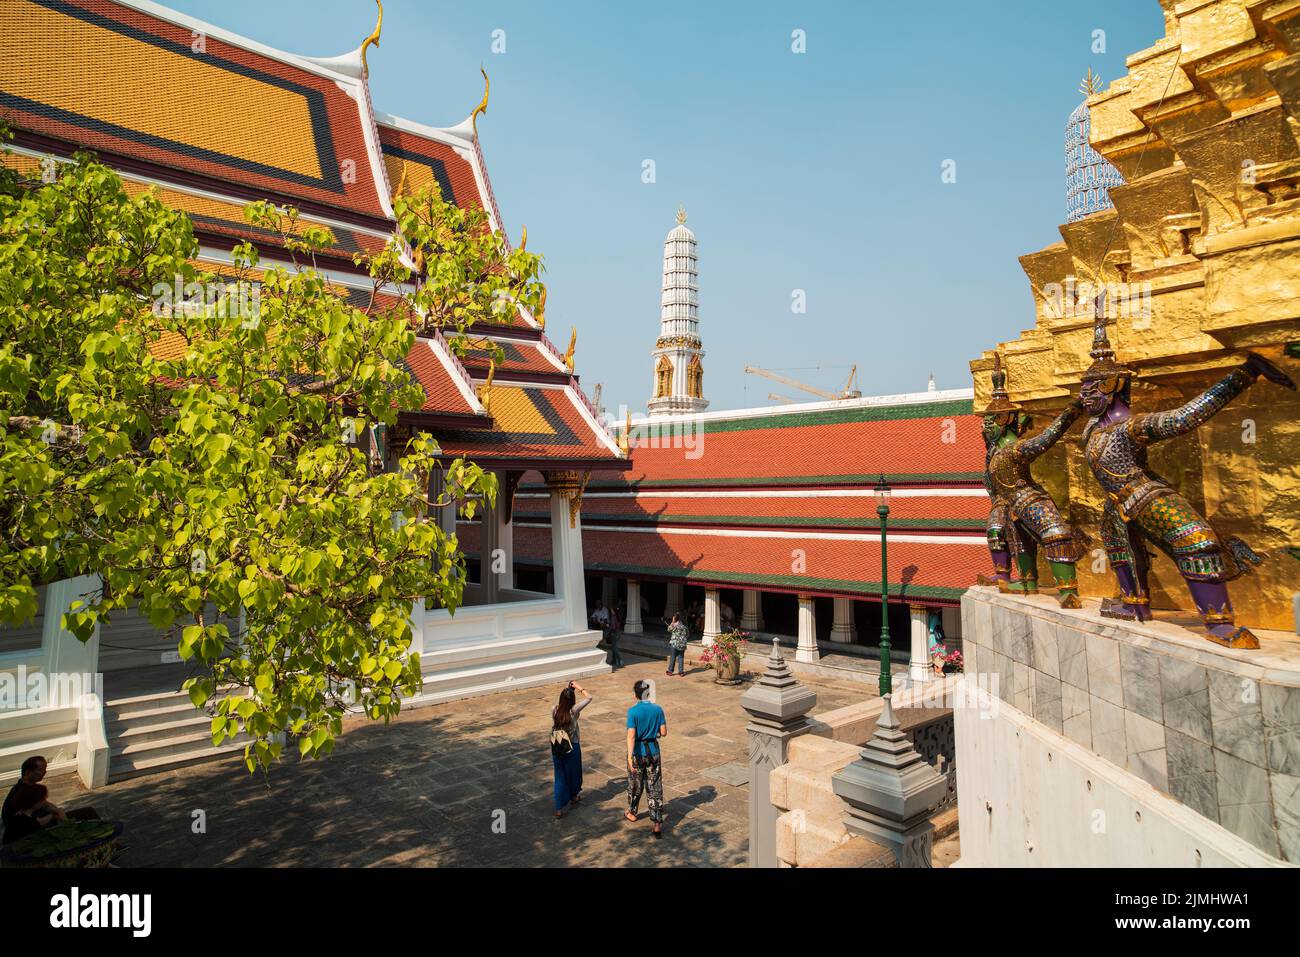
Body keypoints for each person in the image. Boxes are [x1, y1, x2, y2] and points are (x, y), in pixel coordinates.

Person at [2, 755, 97, 830]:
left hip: (38, 822)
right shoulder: (23, 792)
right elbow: (34, 821)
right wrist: (56, 817)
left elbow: (47, 806)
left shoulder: (30, 786)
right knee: (88, 813)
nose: (44, 772)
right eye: (40, 770)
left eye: (45, 769)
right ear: (28, 772)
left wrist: (59, 812)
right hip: (30, 829)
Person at [624, 679, 668, 838]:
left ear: (635, 694)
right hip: (653, 751)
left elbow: (631, 735)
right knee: (655, 785)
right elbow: (663, 732)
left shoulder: (632, 712)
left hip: (637, 752)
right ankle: (657, 822)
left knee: (635, 783)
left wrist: (629, 757)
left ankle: (632, 811)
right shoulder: (658, 709)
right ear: (648, 692)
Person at [550, 681, 591, 818]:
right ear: (572, 700)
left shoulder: (554, 709)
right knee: (574, 773)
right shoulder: (574, 711)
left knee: (560, 776)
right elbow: (589, 697)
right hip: (572, 746)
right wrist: (579, 687)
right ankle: (573, 796)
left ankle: (559, 808)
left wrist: (568, 689)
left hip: (557, 746)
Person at [665, 612, 689, 677]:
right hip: (682, 644)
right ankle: (681, 672)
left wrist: (672, 622)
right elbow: (687, 634)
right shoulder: (685, 625)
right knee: (681, 658)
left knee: (673, 657)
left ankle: (670, 671)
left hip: (674, 644)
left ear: (676, 618)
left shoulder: (675, 625)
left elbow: (669, 629)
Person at [606, 604, 624, 669]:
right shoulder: (616, 616)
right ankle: (613, 661)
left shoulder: (614, 617)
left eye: (611, 610)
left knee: (614, 648)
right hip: (617, 633)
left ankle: (620, 661)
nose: (611, 611)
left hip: (614, 634)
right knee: (613, 648)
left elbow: (613, 627)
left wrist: (608, 626)